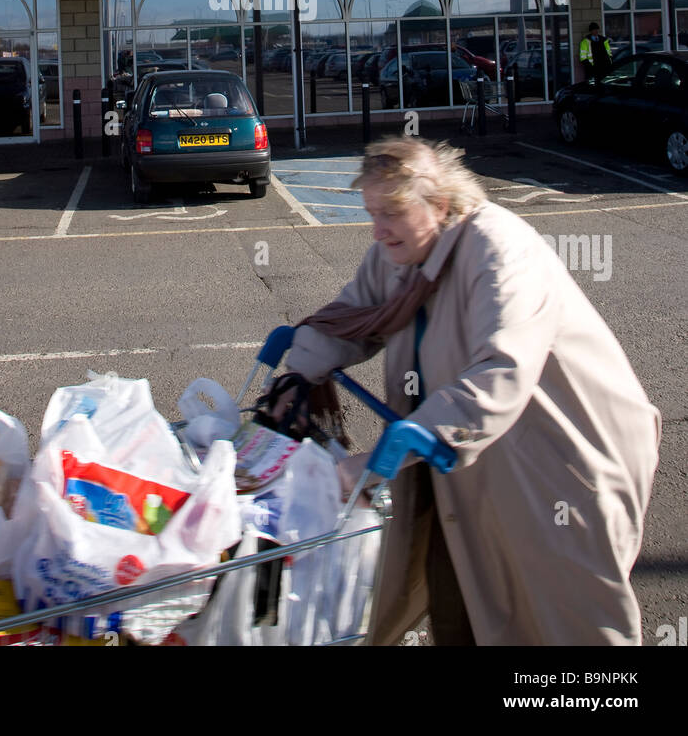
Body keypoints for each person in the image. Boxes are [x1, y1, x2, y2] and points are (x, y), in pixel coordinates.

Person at [281, 136, 660, 646]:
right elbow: (355, 313)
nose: (377, 229)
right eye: (371, 212)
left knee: (564, 621)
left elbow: (501, 371)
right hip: (464, 463)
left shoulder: (499, 250)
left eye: (390, 212)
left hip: (559, 464)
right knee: (461, 594)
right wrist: (296, 372)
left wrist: (385, 454)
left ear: (438, 203)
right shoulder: (399, 251)